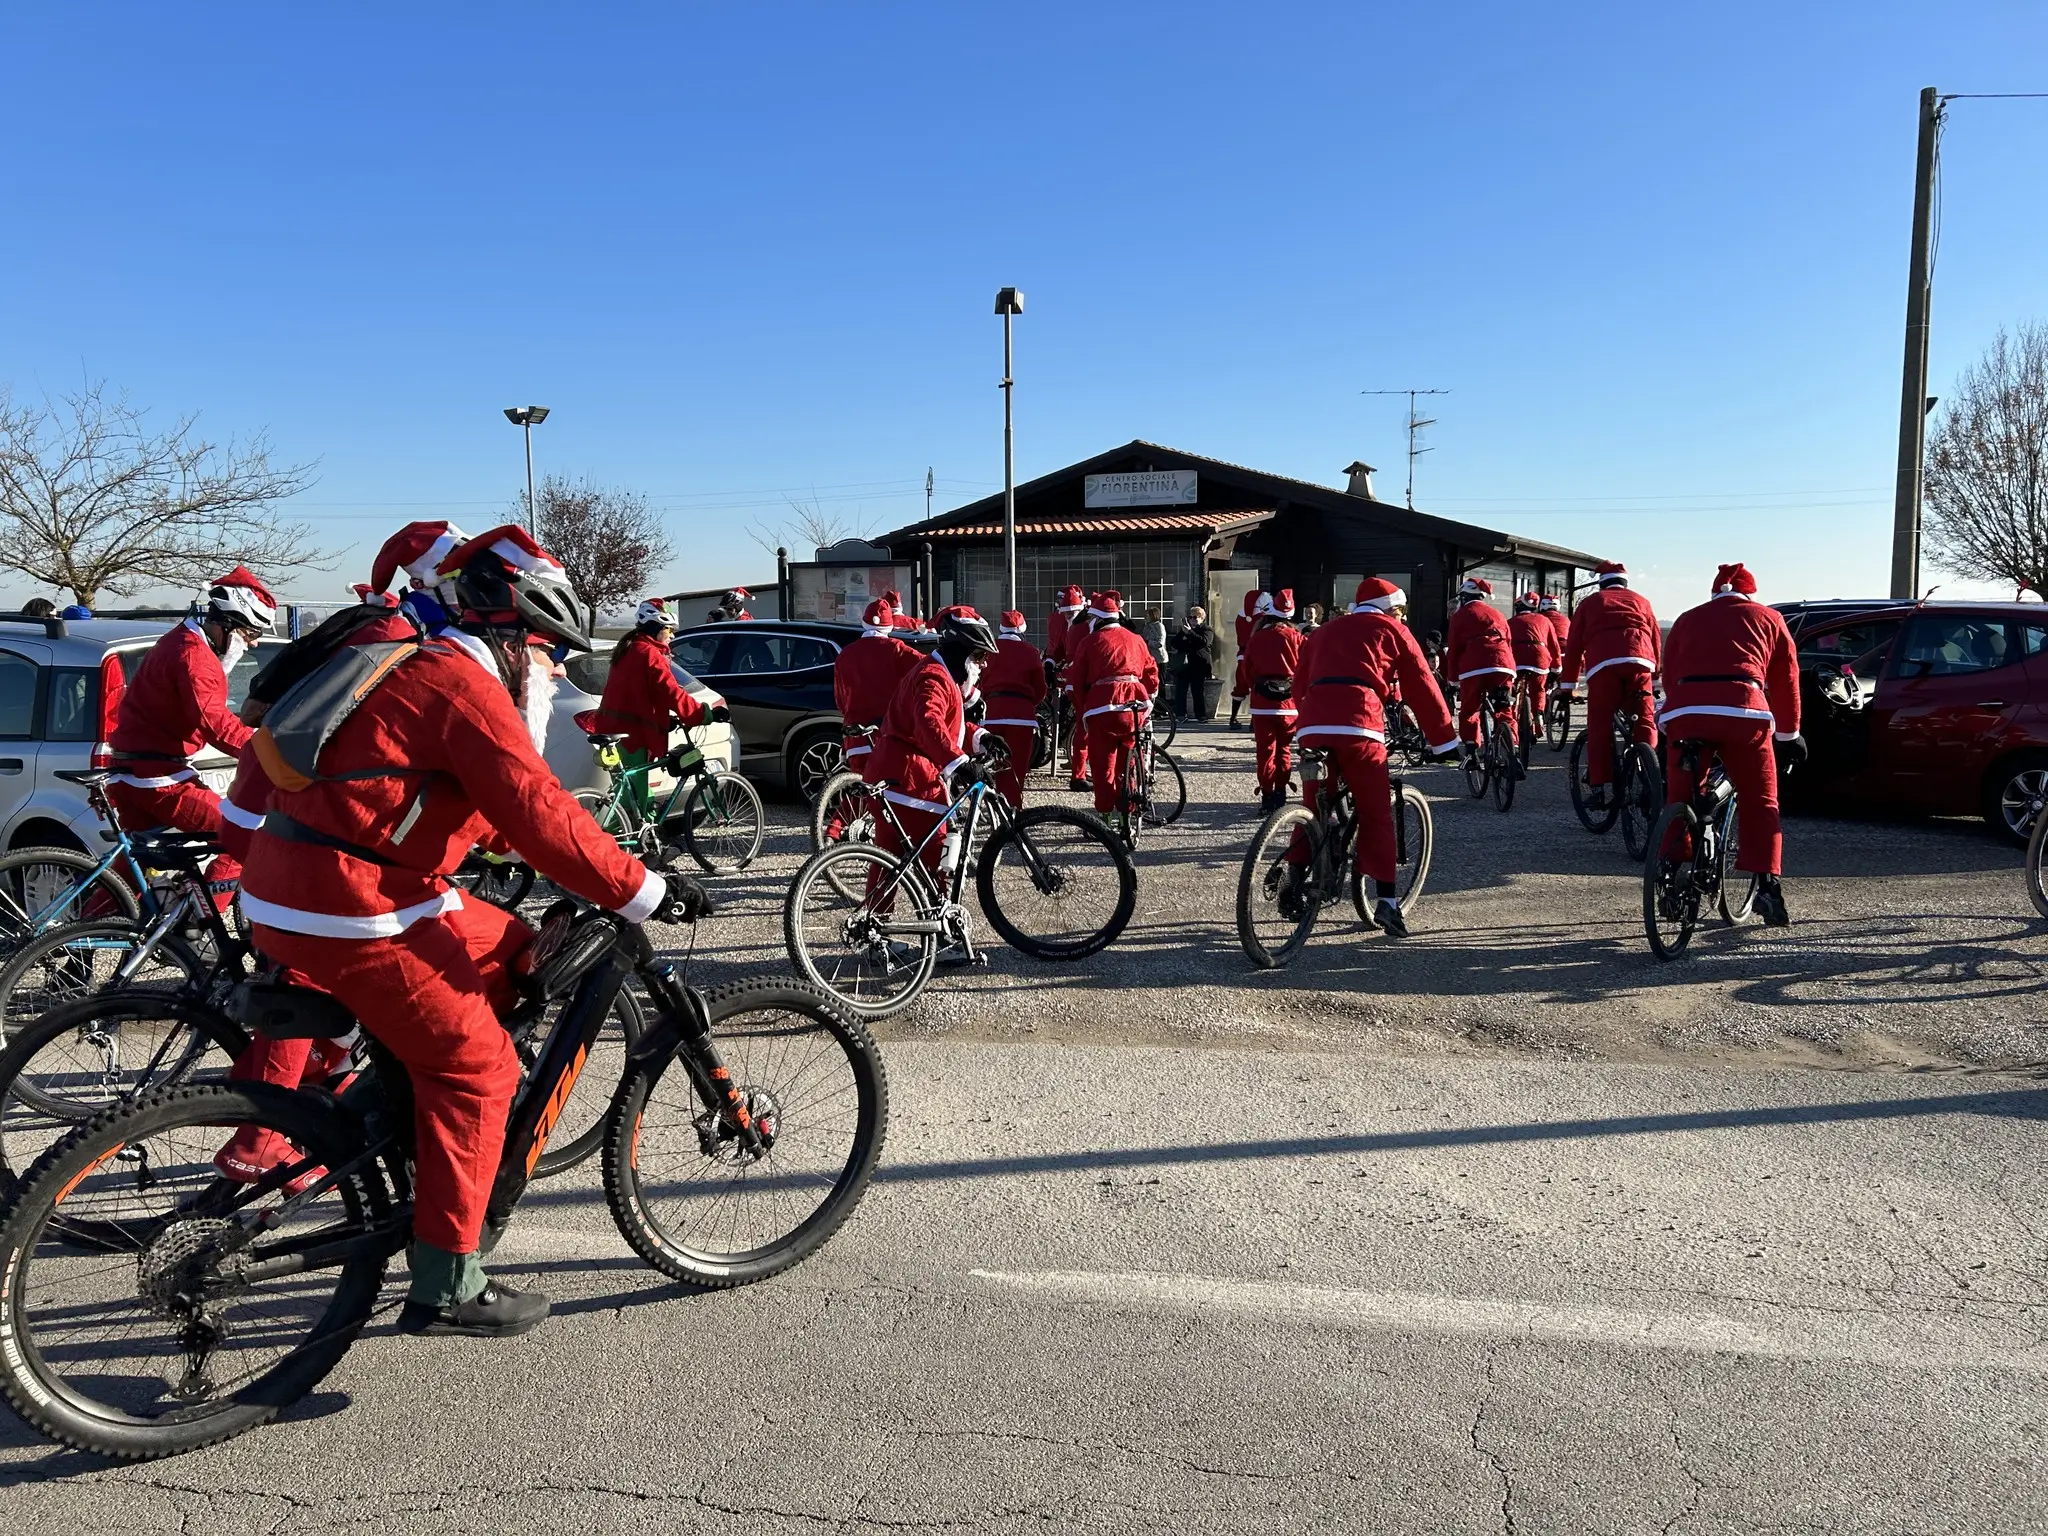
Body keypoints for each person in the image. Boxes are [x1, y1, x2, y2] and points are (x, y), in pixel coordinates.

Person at [239, 523, 705, 1339]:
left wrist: (509, 845)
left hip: (306, 882)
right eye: (552, 652)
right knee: (480, 1071)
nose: (557, 670)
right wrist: (644, 889)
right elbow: (538, 810)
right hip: (353, 904)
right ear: (515, 632)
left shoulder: (418, 660)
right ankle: (448, 1283)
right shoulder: (464, 683)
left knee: (518, 947)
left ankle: (415, 1112)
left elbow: (453, 797)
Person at [1291, 579, 1459, 936]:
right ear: (1392, 608)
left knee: (1312, 807)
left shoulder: (1324, 631)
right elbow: (1421, 684)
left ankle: (1293, 879)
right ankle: (1387, 901)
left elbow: (1298, 683)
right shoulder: (1392, 630)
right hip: (1359, 725)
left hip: (1313, 725)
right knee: (1375, 811)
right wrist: (1445, 742)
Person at [105, 567, 278, 898]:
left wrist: (222, 668)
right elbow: (214, 722)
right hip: (158, 780)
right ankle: (196, 921)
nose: (253, 642)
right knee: (248, 832)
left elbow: (195, 703)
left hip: (134, 774)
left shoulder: (182, 641)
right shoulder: (193, 655)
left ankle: (77, 941)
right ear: (227, 623)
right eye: (250, 631)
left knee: (133, 872)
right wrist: (272, 753)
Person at [1657, 563, 1804, 926]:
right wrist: (1789, 734)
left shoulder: (1687, 619)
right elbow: (1786, 679)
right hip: (1744, 711)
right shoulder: (1768, 618)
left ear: (1714, 593)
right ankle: (1768, 886)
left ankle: (1671, 874)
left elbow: (1670, 670)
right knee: (1760, 799)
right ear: (1750, 594)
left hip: (1686, 712)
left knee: (1679, 794)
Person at [867, 607, 1000, 869]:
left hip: (891, 773)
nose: (984, 663)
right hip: (912, 780)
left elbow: (948, 727)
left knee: (887, 864)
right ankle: (935, 907)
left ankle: (875, 911)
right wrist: (960, 763)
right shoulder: (934, 678)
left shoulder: (937, 673)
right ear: (960, 651)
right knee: (938, 857)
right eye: (979, 655)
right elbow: (928, 723)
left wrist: (982, 738)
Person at [592, 597, 726, 818]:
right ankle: (616, 844)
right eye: (669, 630)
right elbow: (670, 691)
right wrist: (703, 713)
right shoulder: (649, 654)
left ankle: (648, 843)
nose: (672, 635)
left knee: (634, 793)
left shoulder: (630, 648)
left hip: (617, 725)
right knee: (632, 799)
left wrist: (663, 718)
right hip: (631, 734)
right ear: (656, 629)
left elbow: (641, 693)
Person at [1560, 560, 1661, 809]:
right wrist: (1656, 677)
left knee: (1600, 726)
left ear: (1601, 584)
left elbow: (1573, 648)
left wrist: (1568, 686)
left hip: (1604, 664)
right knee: (1644, 719)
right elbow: (1656, 637)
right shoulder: (1642, 601)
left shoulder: (1590, 603)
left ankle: (1599, 787)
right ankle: (1650, 774)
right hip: (1641, 661)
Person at [1065, 589, 1159, 828]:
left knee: (1103, 764)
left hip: (1102, 706)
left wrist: (1084, 708)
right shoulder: (1136, 639)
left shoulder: (1089, 641)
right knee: (1128, 759)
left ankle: (1106, 815)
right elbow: (1151, 673)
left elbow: (1077, 680)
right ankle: (1128, 807)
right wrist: (1148, 694)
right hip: (1134, 706)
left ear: (1096, 618)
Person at [833, 596, 924, 784]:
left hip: (856, 735)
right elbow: (929, 668)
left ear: (864, 623)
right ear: (890, 626)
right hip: (888, 735)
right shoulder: (897, 650)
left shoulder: (846, 654)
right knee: (891, 792)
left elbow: (841, 699)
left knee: (860, 794)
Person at [1444, 577, 1522, 773]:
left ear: (1463, 597)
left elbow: (1454, 650)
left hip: (1474, 667)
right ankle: (1513, 749)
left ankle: (1471, 753)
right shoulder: (1497, 614)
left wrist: (1452, 679)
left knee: (1470, 710)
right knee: (1504, 709)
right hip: (1503, 664)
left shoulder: (1461, 616)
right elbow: (1509, 641)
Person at [1244, 589, 1303, 812]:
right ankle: (1281, 793)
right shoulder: (1298, 637)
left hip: (1262, 703)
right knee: (1284, 749)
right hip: (1289, 703)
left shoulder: (1258, 637)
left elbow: (1246, 670)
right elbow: (1306, 668)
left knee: (1265, 751)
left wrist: (1254, 687)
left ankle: (1267, 796)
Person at [980, 610, 1047, 807]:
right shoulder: (1030, 651)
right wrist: (1028, 703)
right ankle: (1012, 808)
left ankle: (993, 804)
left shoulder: (989, 650)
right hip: (1022, 715)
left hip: (992, 713)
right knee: (1016, 767)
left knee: (993, 764)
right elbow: (1040, 688)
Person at [1046, 585, 1090, 791]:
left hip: (1085, 682)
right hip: (1075, 682)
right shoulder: (1068, 624)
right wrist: (1050, 662)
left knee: (1084, 729)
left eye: (1071, 613)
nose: (1068, 616)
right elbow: (1060, 648)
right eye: (1066, 613)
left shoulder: (1087, 625)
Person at [1509, 590, 1561, 732]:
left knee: (1512, 689)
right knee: (1538, 689)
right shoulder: (1545, 621)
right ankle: (1538, 715)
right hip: (1539, 658)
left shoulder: (1511, 622)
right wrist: (1556, 668)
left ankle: (1512, 717)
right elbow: (1554, 646)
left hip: (1516, 658)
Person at [1227, 589, 1265, 730]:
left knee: (1240, 686)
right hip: (1257, 657)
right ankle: (1253, 722)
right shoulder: (1262, 617)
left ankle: (1233, 719)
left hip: (1242, 655)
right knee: (1256, 687)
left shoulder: (1240, 616)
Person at [1170, 605, 1216, 721]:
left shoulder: (1206, 629)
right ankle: (1181, 715)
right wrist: (1184, 633)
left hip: (1198, 664)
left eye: (1195, 617)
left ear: (1201, 618)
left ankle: (1200, 715)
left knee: (1197, 691)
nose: (1192, 620)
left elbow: (1204, 642)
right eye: (1190, 617)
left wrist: (1190, 633)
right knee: (1181, 691)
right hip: (1184, 665)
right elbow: (1175, 643)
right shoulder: (1185, 631)